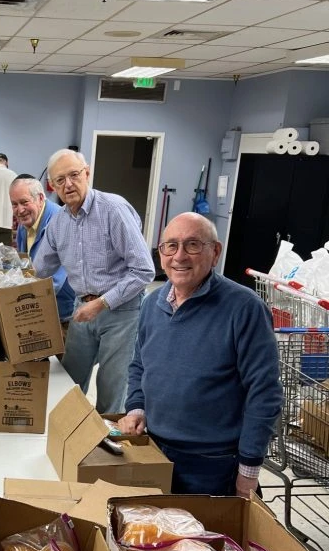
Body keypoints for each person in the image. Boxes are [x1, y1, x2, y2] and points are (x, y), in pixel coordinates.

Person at [119, 212, 282, 496]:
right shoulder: (152, 303)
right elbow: (139, 366)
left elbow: (264, 393)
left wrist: (248, 472)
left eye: (192, 245)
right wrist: (137, 408)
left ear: (215, 252)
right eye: (170, 246)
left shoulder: (245, 308)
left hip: (212, 463)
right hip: (153, 449)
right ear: (161, 254)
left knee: (207, 539)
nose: (179, 256)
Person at [33, 149, 154, 414]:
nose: (68, 184)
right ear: (52, 186)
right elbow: (38, 270)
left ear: (87, 173)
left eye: (74, 175)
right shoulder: (58, 224)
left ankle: (108, 451)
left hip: (121, 311)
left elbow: (144, 271)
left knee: (112, 392)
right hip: (82, 310)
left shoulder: (113, 210)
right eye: (60, 179)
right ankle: (70, 440)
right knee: (69, 385)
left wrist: (101, 304)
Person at [11, 175, 76, 332]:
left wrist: (17, 303)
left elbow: (55, 281)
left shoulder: (60, 222)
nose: (20, 210)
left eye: (25, 202)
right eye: (14, 204)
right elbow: (25, 265)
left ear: (40, 198)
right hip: (40, 308)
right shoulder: (24, 225)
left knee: (65, 355)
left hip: (64, 312)